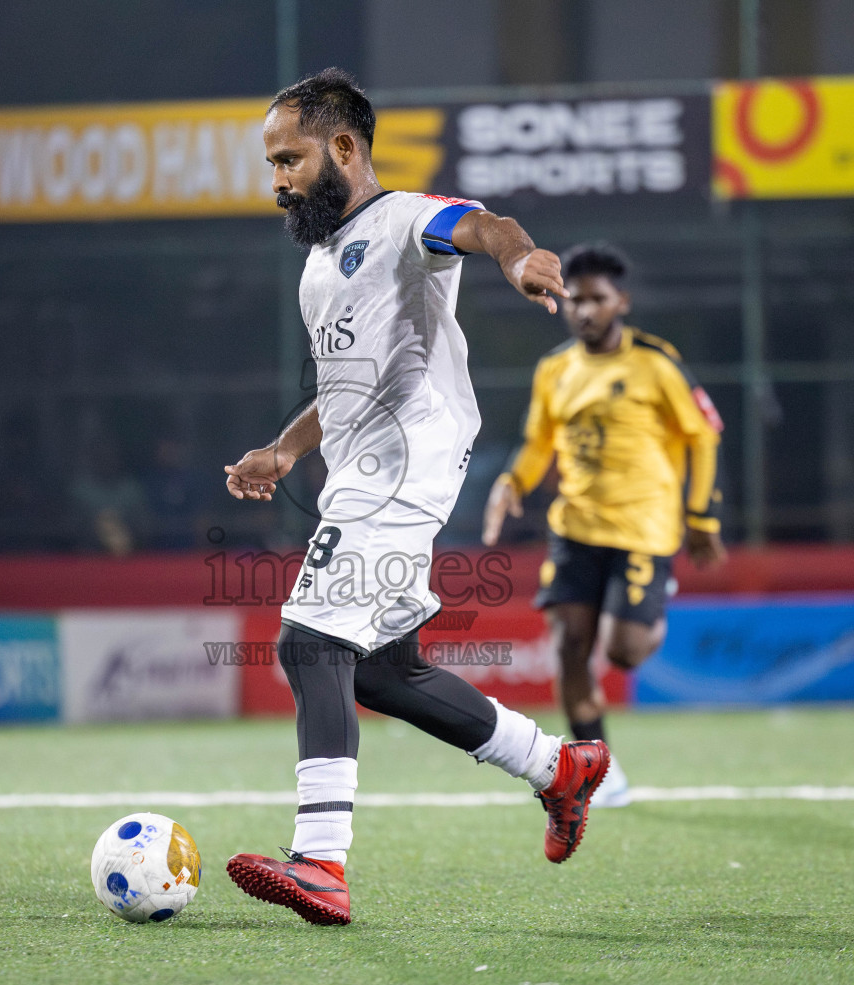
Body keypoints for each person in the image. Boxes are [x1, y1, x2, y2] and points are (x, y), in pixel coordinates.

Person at [220, 68, 609, 927]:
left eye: (289, 158)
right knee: (386, 672)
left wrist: (520, 257)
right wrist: (284, 450)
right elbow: (348, 385)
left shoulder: (401, 221)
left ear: (345, 147)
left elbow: (482, 224)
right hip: (360, 474)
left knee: (309, 641)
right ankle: (558, 768)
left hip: (403, 470)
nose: (277, 179)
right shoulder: (321, 267)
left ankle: (320, 862)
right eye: (272, 163)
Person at [482, 244, 726, 807]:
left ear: (622, 302)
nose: (585, 310)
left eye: (597, 299)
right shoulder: (555, 370)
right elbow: (539, 443)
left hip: (644, 528)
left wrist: (701, 515)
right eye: (576, 299)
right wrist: (511, 484)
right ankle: (597, 766)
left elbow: (703, 433)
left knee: (623, 654)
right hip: (574, 527)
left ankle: (653, 598)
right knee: (569, 646)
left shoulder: (656, 362)